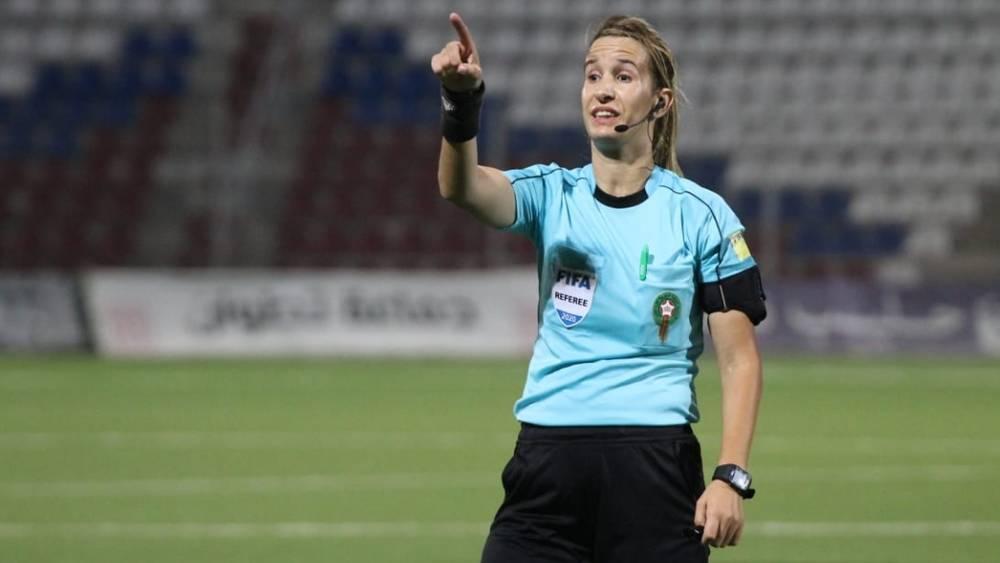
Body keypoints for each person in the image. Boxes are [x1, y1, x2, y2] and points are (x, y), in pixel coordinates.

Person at [432, 11, 766, 563]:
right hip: (547, 465)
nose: (603, 89)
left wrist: (731, 476)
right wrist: (460, 102)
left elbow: (739, 359)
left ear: (660, 102)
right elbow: (460, 186)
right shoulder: (551, 194)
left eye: (623, 76)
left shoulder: (702, 215)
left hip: (654, 468)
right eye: (592, 75)